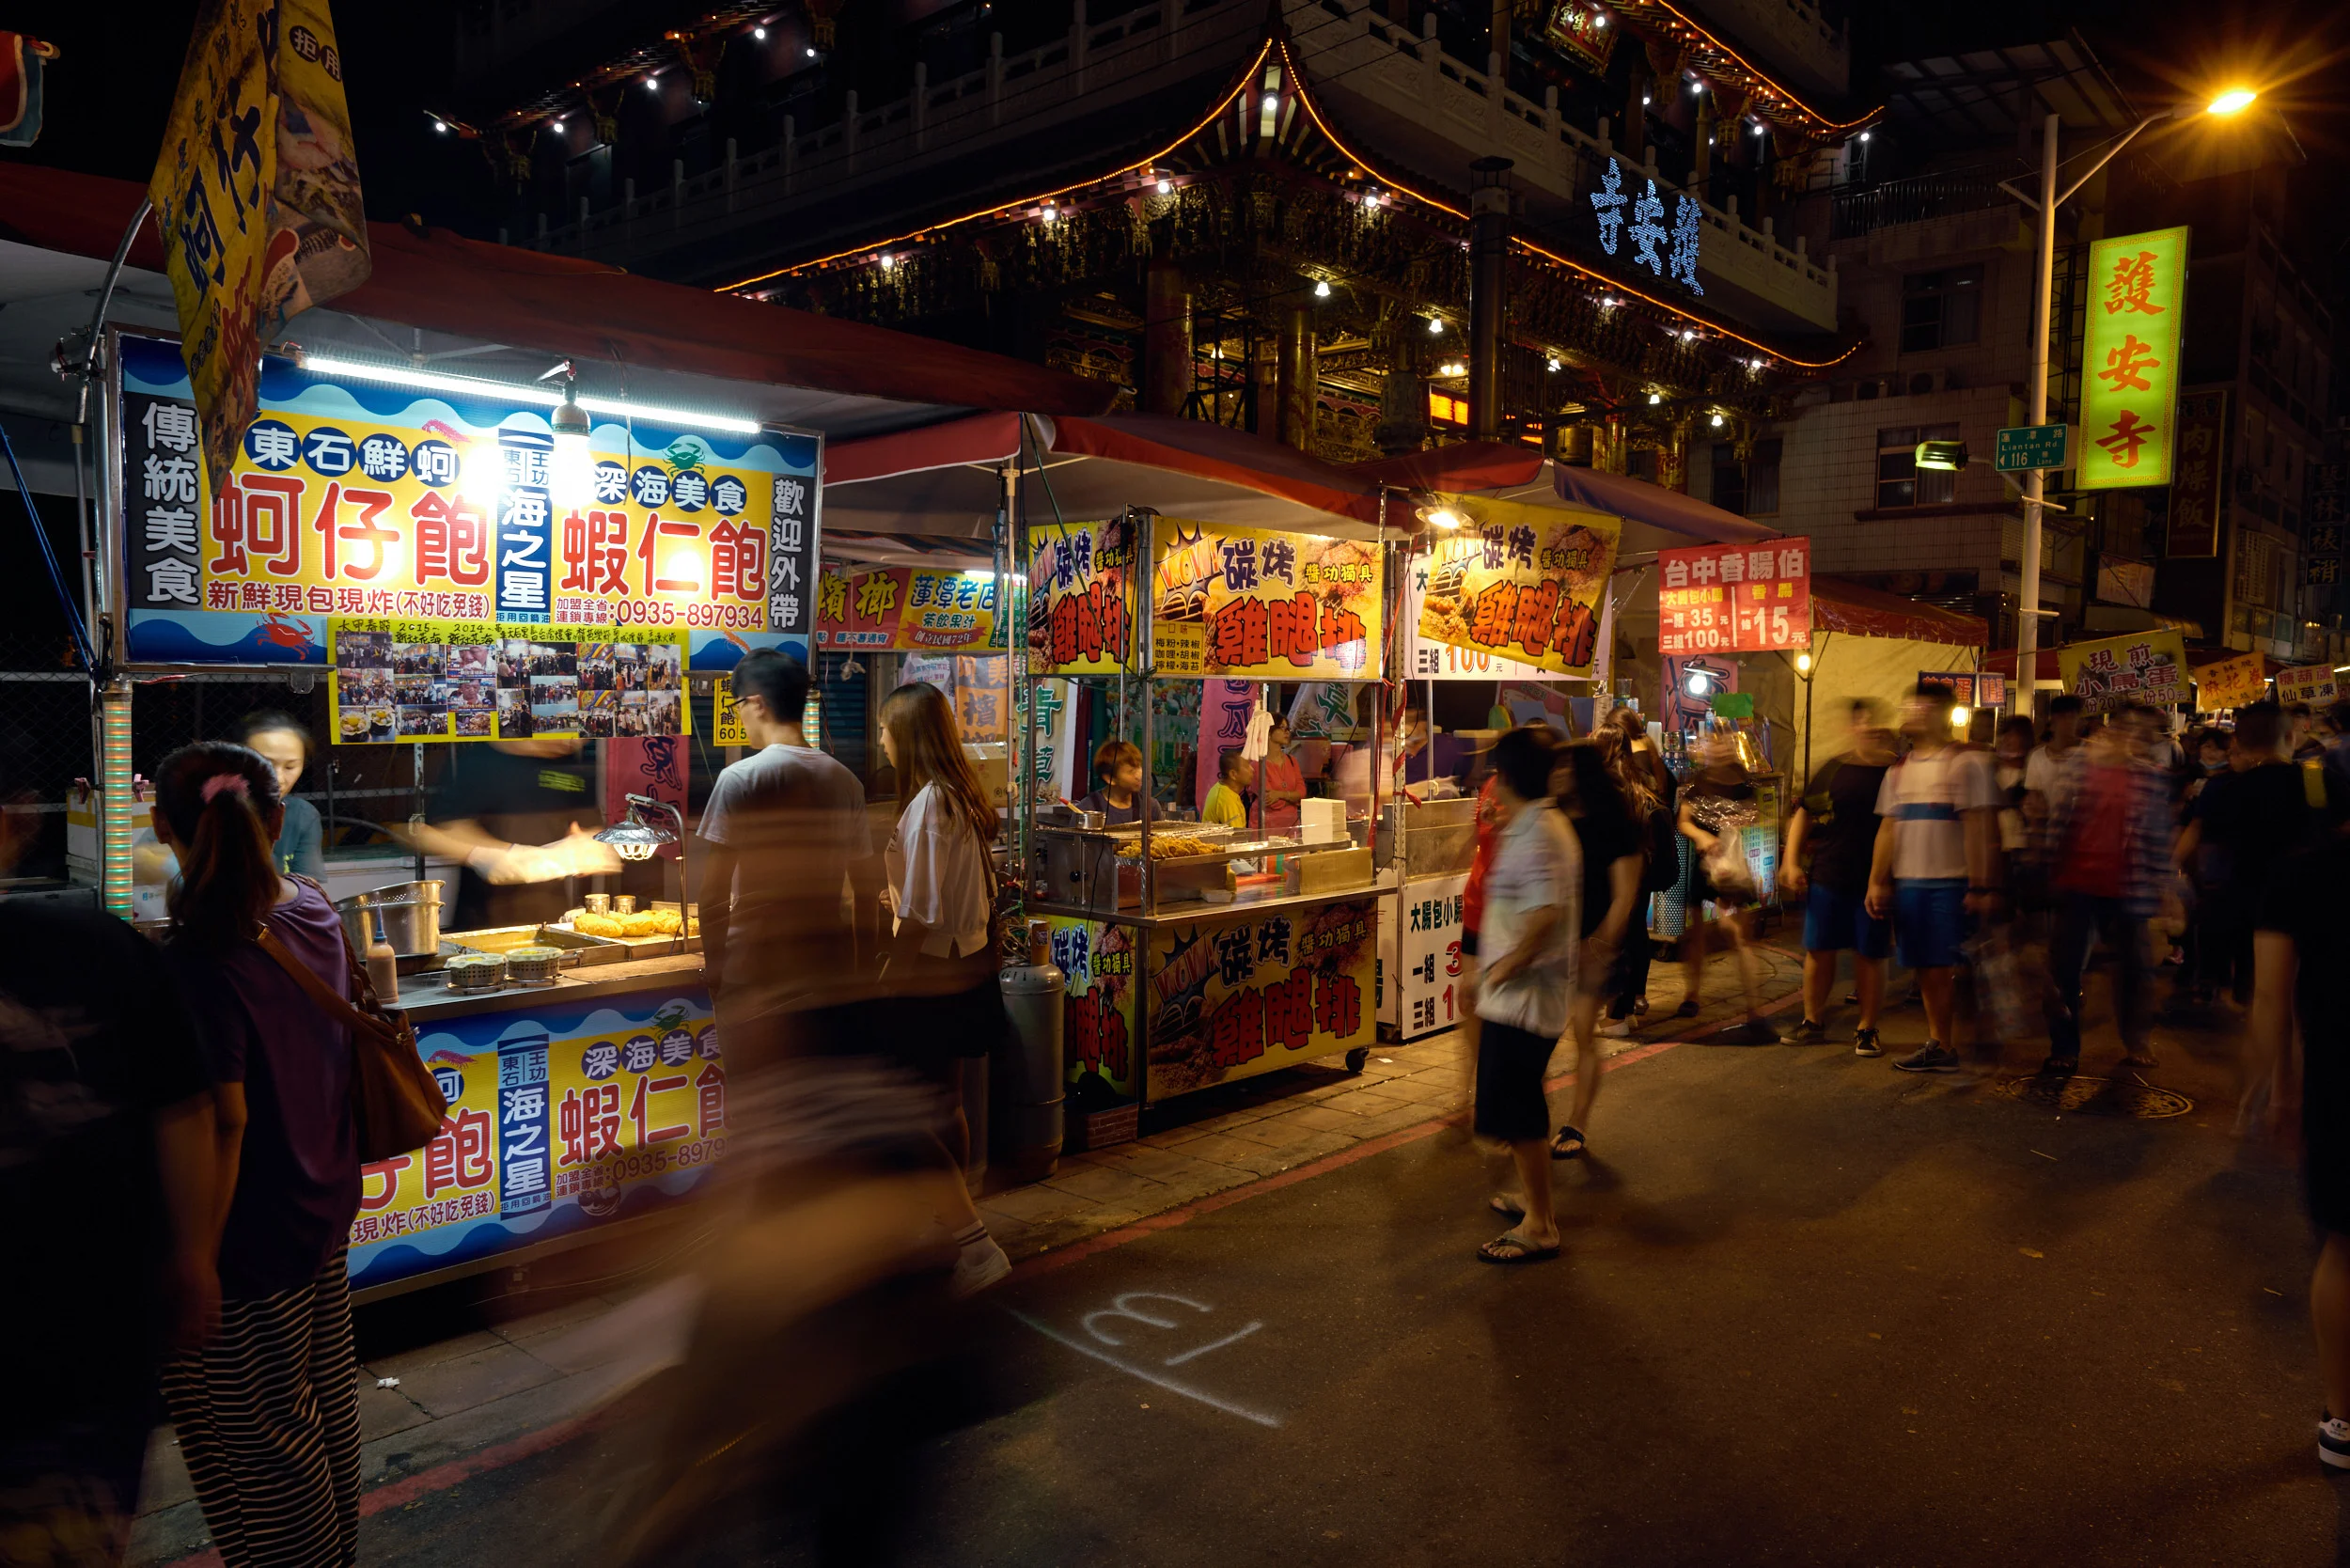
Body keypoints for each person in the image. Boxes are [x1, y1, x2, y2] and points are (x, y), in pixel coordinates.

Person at [149, 742, 363, 1568]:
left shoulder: (200, 957)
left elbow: (225, 1122)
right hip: (321, 1210)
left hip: (244, 1241)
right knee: (324, 1410)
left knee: (260, 1446)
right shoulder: (311, 905)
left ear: (162, 826)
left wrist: (194, 1258)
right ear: (276, 820)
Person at [0, 800, 216, 1564]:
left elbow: (185, 1107)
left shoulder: (91, 946)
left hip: (85, 1338)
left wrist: (192, 1257)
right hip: (93, 1330)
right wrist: (195, 1256)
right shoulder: (95, 945)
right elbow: (192, 1110)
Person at [878, 682, 1011, 1294]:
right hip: (969, 964)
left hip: (936, 971)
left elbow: (926, 913)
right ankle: (947, 1218)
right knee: (942, 1100)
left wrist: (886, 981)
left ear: (907, 736)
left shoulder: (933, 803)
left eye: (884, 730)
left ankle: (971, 1242)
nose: (879, 741)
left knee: (907, 1113)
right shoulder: (961, 793)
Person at [695, 650, 878, 1015]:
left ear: (757, 703)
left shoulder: (740, 779)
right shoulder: (846, 782)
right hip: (828, 969)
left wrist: (715, 970)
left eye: (737, 705)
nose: (739, 715)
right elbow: (865, 891)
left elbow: (713, 893)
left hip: (756, 971)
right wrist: (864, 969)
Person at [2249, 821, 2350, 1470]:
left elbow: (2270, 996)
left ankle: (2342, 1421)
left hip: (2341, 1075)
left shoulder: (2304, 867)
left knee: (2344, 1245)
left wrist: (2280, 1088)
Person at [1469, 725, 1579, 1264]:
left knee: (1518, 1112)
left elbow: (1545, 913)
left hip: (1524, 996)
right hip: (1513, 995)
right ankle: (1534, 1202)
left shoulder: (1539, 833)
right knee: (1514, 1107)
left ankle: (1541, 1224)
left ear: (1504, 775)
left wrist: (1505, 966)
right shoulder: (1535, 822)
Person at [1866, 682, 2003, 1074]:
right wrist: (1878, 881)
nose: (1907, 711)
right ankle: (1941, 1041)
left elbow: (1979, 829)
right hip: (1911, 884)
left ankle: (1953, 1041)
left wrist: (1980, 886)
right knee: (1926, 965)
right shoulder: (1900, 769)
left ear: (1940, 712)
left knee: (1944, 965)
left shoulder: (1965, 763)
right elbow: (1888, 829)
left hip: (1950, 883)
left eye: (1917, 705)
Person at [2040, 704, 2173, 1075]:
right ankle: (2064, 1047)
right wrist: (2046, 874)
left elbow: (2158, 834)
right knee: (2065, 971)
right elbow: (2056, 824)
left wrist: (2165, 885)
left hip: (2128, 887)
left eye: (2145, 733)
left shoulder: (2150, 776)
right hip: (2076, 884)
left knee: (2136, 971)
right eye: (2131, 729)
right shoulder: (2080, 767)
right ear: (2114, 729)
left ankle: (2136, 1040)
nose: (2137, 738)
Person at [2175, 705, 2321, 1008]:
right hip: (2306, 899)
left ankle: (2251, 1018)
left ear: (2239, 744)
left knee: (2256, 982)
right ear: (2291, 736)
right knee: (2297, 991)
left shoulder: (2223, 788)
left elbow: (2196, 832)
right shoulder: (2314, 778)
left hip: (2241, 897)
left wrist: (2167, 872)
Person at [406, 737, 621, 930]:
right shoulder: (479, 762)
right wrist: (507, 859)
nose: (576, 741)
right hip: (486, 922)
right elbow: (439, 830)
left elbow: (583, 828)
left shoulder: (570, 765)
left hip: (549, 919)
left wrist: (588, 846)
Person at [1779, 699, 1895, 1057]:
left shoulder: (1896, 770)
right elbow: (1805, 814)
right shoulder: (1834, 768)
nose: (1868, 727)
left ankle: (1866, 1029)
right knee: (1819, 949)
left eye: (1874, 721)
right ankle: (1812, 1021)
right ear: (1853, 726)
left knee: (1869, 954)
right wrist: (1791, 861)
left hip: (1876, 878)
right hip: (1830, 872)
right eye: (1861, 721)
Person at [1548, 742, 1642, 1162]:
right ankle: (1527, 1123)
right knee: (1541, 1034)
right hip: (1550, 941)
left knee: (1583, 1031)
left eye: (1563, 768)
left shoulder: (1614, 820)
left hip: (1592, 942)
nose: (1556, 775)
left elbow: (1625, 895)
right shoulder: (1551, 815)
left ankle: (1577, 1121)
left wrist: (1601, 946)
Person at [1675, 730, 1776, 1043]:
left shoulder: (1743, 782)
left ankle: (1754, 1009)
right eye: (1712, 744)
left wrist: (1737, 825)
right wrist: (1703, 837)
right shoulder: (1697, 781)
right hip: (1704, 863)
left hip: (1731, 867)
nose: (1717, 749)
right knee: (1696, 933)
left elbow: (1758, 814)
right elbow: (1684, 821)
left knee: (1738, 934)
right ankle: (1692, 995)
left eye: (1724, 744)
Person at [1595, 721, 1671, 1036]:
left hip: (1622, 872)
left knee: (1618, 939)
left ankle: (1616, 1016)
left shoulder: (1609, 783)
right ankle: (1627, 1010)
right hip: (1643, 872)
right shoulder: (1639, 778)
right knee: (1635, 934)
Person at [238, 712, 326, 881]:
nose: (278, 779)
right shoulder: (210, 812)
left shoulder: (302, 815)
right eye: (266, 764)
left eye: (290, 767)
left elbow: (308, 891)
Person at [2022, 694, 2085, 832]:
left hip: (2081, 832)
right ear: (2053, 720)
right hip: (2049, 831)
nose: (2069, 722)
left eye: (2072, 716)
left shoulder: (2088, 754)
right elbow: (2035, 797)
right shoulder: (2037, 757)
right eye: (2064, 717)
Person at [1076, 739, 1152, 825]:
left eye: (1139, 767)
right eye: (1131, 771)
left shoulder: (1149, 807)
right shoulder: (1088, 808)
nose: (1139, 775)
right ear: (1110, 778)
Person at [1259, 716, 1305, 835]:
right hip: (1267, 827)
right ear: (1268, 732)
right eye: (1282, 728)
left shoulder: (1292, 760)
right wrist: (1292, 799)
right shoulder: (1258, 764)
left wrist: (1280, 794)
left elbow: (1302, 793)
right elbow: (1272, 802)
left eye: (1287, 729)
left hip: (1291, 825)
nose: (1287, 732)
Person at [1201, 746, 1253, 831]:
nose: (1252, 769)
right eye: (1247, 766)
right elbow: (1237, 836)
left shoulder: (1224, 790)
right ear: (1233, 774)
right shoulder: (1227, 800)